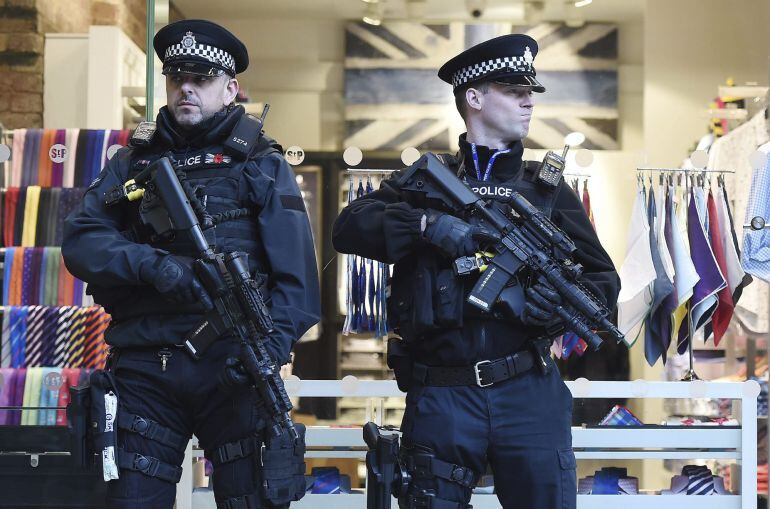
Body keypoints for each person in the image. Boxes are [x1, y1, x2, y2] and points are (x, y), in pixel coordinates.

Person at [333, 34, 620, 509]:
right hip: (442, 393)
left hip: (527, 391)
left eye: (529, 91)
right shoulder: (425, 185)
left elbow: (603, 282)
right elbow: (347, 228)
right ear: (474, 97)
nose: (529, 100)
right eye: (514, 90)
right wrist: (427, 224)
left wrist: (553, 313)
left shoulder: (544, 192)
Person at [62, 19, 320, 509]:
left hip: (234, 364)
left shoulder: (261, 163)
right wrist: (153, 266)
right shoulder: (132, 162)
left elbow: (299, 286)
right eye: (177, 77)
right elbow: (80, 241)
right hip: (146, 366)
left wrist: (269, 350)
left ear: (231, 88)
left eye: (200, 79)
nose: (186, 89)